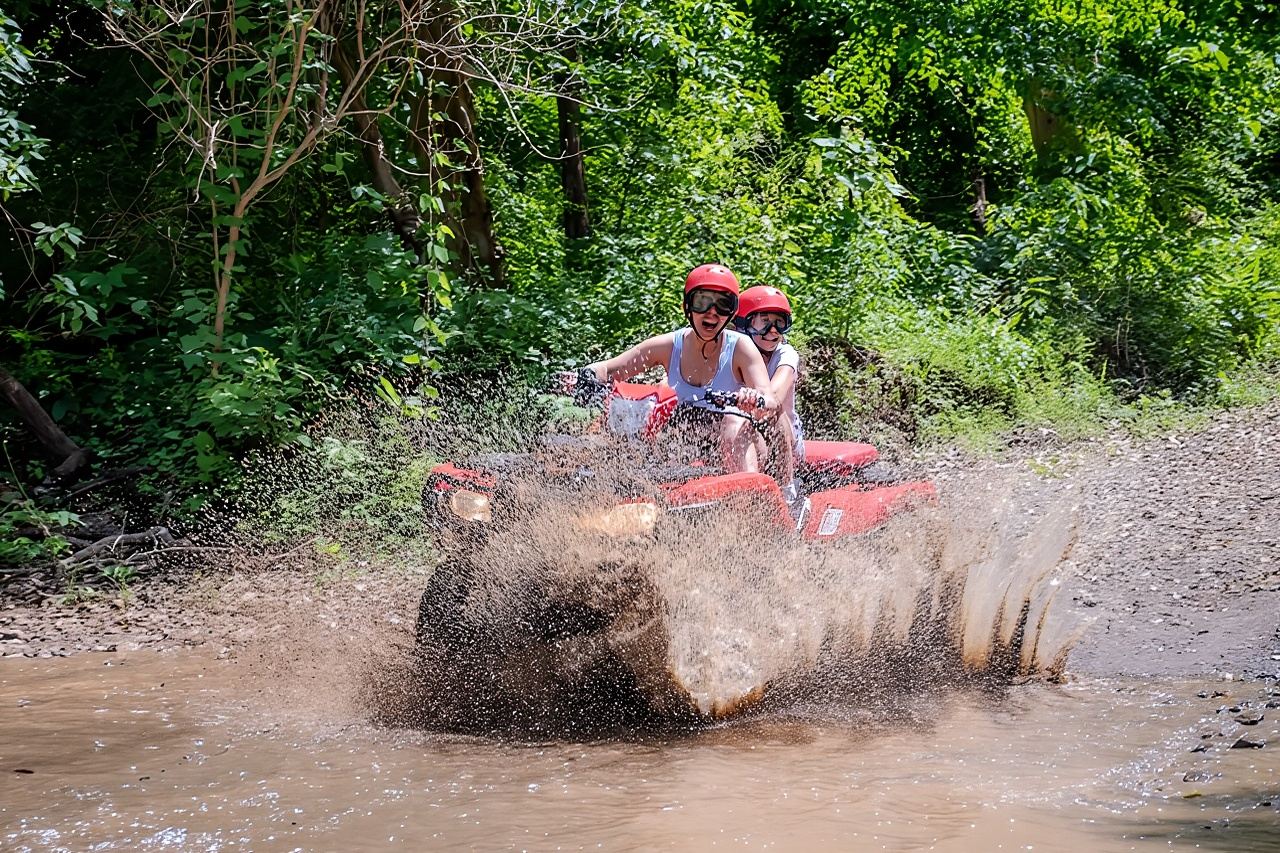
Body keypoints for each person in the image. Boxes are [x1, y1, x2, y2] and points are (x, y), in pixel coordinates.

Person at [586, 264, 777, 473]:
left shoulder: (741, 347)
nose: (712, 312)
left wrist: (754, 398)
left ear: (731, 313)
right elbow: (611, 369)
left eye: (722, 304)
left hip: (739, 442)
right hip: (685, 445)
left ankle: (747, 499)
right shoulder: (668, 346)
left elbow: (770, 399)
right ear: (686, 307)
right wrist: (580, 377)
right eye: (702, 302)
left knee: (734, 422)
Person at [735, 285, 805, 512]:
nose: (773, 330)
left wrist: (754, 397)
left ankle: (788, 492)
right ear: (744, 324)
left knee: (772, 410)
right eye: (764, 321)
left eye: (779, 322)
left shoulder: (786, 355)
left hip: (783, 436)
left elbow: (773, 395)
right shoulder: (729, 350)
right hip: (740, 428)